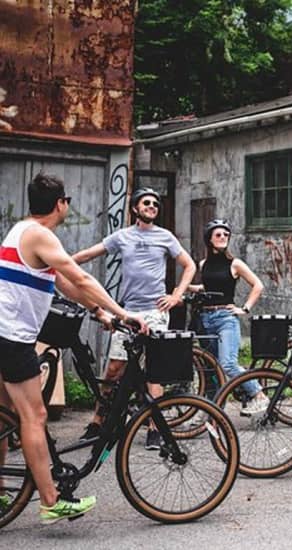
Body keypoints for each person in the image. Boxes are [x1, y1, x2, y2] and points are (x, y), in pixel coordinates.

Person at [0, 172, 147, 524]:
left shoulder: (22, 231)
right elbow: (79, 276)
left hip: (3, 333)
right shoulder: (40, 234)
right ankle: (51, 501)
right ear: (60, 204)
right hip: (12, 337)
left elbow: (63, 282)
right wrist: (122, 312)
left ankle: (2, 488)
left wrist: (99, 312)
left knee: (4, 416)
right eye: (67, 201)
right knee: (33, 416)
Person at [74, 187, 196, 450]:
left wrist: (176, 295)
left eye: (155, 203)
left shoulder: (166, 237)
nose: (152, 206)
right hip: (128, 312)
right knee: (114, 369)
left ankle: (155, 429)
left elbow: (190, 265)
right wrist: (62, 263)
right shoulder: (123, 236)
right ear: (135, 209)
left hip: (155, 311)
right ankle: (98, 423)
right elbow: (90, 254)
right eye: (146, 203)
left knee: (155, 372)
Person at [189, 219, 268, 415]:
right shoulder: (203, 264)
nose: (223, 237)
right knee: (213, 368)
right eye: (218, 234)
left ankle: (259, 395)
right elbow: (208, 287)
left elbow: (258, 285)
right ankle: (214, 410)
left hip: (226, 318)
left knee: (228, 363)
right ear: (209, 239)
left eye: (226, 234)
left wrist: (245, 308)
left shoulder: (235, 264)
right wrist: (186, 288)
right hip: (205, 319)